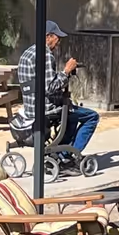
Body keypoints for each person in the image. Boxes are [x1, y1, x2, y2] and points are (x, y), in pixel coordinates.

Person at [17, 20, 99, 156]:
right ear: (48, 36)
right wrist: (66, 71)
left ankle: (62, 153)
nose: (59, 42)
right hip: (46, 109)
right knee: (92, 117)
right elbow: (50, 87)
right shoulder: (46, 55)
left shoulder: (27, 53)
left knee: (71, 116)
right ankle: (69, 156)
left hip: (31, 108)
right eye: (57, 38)